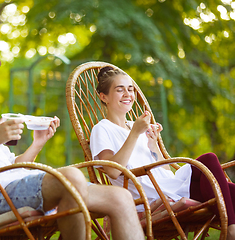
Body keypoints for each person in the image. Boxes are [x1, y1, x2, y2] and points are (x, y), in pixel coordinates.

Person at [0, 36, 145, 240]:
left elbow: (11, 166)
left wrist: (38, 142)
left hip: (14, 186)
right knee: (71, 177)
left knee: (121, 197)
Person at [90, 66, 235, 239]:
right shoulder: (102, 129)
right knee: (215, 170)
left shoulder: (136, 126)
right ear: (103, 96)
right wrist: (135, 133)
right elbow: (113, 171)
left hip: (169, 186)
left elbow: (165, 171)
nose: (128, 94)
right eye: (120, 90)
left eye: (130, 89)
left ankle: (231, 231)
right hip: (151, 197)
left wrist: (153, 144)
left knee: (220, 179)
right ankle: (231, 230)